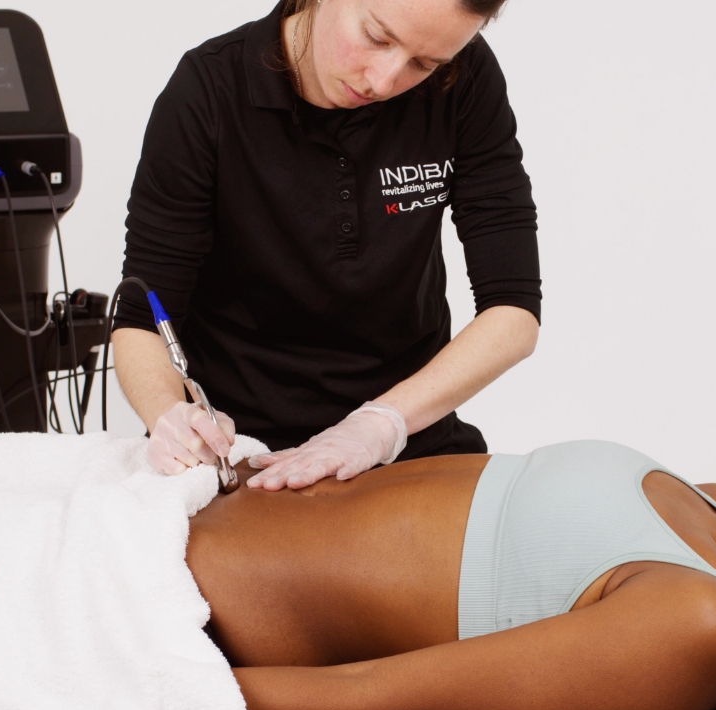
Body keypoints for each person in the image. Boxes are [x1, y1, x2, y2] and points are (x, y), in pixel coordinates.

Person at [112, 0, 541, 490]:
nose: (383, 81)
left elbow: (513, 311)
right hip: (244, 459)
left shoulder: (464, 78)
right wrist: (168, 414)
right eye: (377, 36)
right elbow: (143, 321)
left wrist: (382, 423)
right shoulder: (209, 89)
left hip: (411, 443)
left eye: (424, 64)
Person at [187, 440, 716, 710]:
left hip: (155, 584)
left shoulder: (703, 629)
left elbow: (362, 693)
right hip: (171, 484)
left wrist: (128, 687)